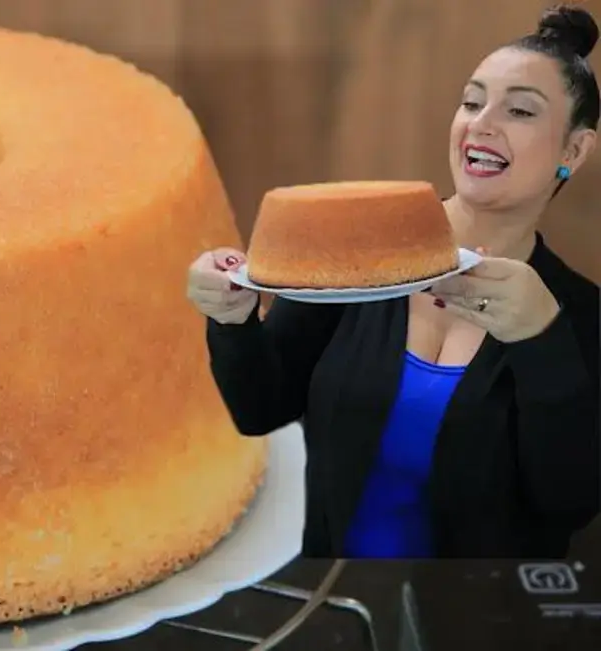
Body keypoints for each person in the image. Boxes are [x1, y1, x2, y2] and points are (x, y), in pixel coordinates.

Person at [187, 4, 600, 559]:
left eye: (520, 111)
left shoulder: (579, 315)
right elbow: (260, 408)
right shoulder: (360, 251)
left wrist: (541, 341)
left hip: (479, 621)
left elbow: (568, 502)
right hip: (335, 602)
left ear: (573, 151)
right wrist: (232, 320)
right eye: (472, 102)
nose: (481, 124)